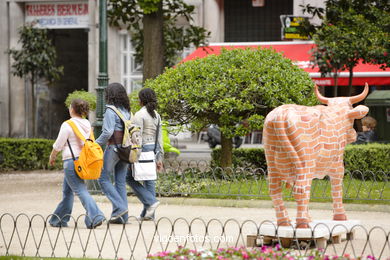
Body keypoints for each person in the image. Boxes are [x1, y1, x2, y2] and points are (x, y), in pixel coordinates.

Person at [49, 99, 105, 229]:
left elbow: (58, 144)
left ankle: (96, 216)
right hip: (83, 161)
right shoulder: (86, 123)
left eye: (70, 107)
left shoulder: (68, 124)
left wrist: (52, 156)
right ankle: (59, 220)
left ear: (72, 109)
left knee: (80, 190)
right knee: (67, 192)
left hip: (71, 162)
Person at [127, 88, 164, 221]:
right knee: (149, 181)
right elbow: (159, 138)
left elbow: (137, 137)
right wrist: (160, 157)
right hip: (153, 150)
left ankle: (150, 202)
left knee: (129, 177)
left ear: (141, 100)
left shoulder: (139, 115)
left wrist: (134, 155)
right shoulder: (156, 115)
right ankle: (148, 214)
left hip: (141, 150)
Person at [96, 83, 130, 224]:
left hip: (114, 149)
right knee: (120, 182)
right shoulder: (127, 111)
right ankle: (122, 217)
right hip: (125, 150)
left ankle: (120, 208)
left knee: (102, 178)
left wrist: (95, 143)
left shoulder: (110, 111)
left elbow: (108, 132)